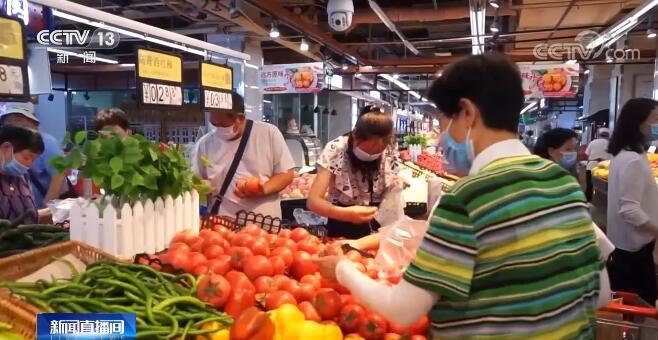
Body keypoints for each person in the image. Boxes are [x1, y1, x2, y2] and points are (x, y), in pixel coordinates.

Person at [314, 53, 603, 338]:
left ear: (467, 113)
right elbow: (601, 292)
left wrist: (342, 270)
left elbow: (404, 310)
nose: (440, 138)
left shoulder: (466, 198)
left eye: (442, 121)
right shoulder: (563, 184)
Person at [192, 92, 295, 218]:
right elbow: (197, 180)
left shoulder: (268, 133)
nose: (219, 129)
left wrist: (262, 190)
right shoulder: (205, 144)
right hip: (222, 226)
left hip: (263, 225)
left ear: (240, 118)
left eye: (223, 124)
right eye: (215, 124)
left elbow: (287, 174)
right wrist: (204, 187)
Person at [307, 107, 399, 239]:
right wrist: (344, 213)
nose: (370, 155)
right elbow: (313, 201)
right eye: (367, 150)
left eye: (377, 152)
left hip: (380, 222)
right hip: (342, 222)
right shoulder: (336, 149)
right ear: (355, 135)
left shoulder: (390, 148)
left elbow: (391, 174)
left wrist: (396, 183)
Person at [606, 98, 658, 304]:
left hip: (626, 247)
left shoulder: (627, 155)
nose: (655, 125)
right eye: (655, 118)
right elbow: (629, 210)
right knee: (637, 305)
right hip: (633, 250)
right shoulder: (632, 160)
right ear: (639, 121)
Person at [0, 102, 70, 208]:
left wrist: (47, 208)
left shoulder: (47, 142)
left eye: (18, 119)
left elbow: (58, 176)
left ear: (32, 122)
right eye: (8, 119)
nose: (12, 123)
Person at [0, 125, 50, 224]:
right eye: (26, 157)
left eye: (34, 160)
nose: (29, 164)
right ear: (6, 148)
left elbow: (26, 216)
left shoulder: (22, 178)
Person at [585, 127, 612, 201]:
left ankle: (588, 200)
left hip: (591, 166)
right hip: (605, 169)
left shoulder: (593, 142)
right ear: (608, 136)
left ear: (599, 135)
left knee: (589, 185)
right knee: (606, 186)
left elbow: (587, 153)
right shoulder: (610, 143)